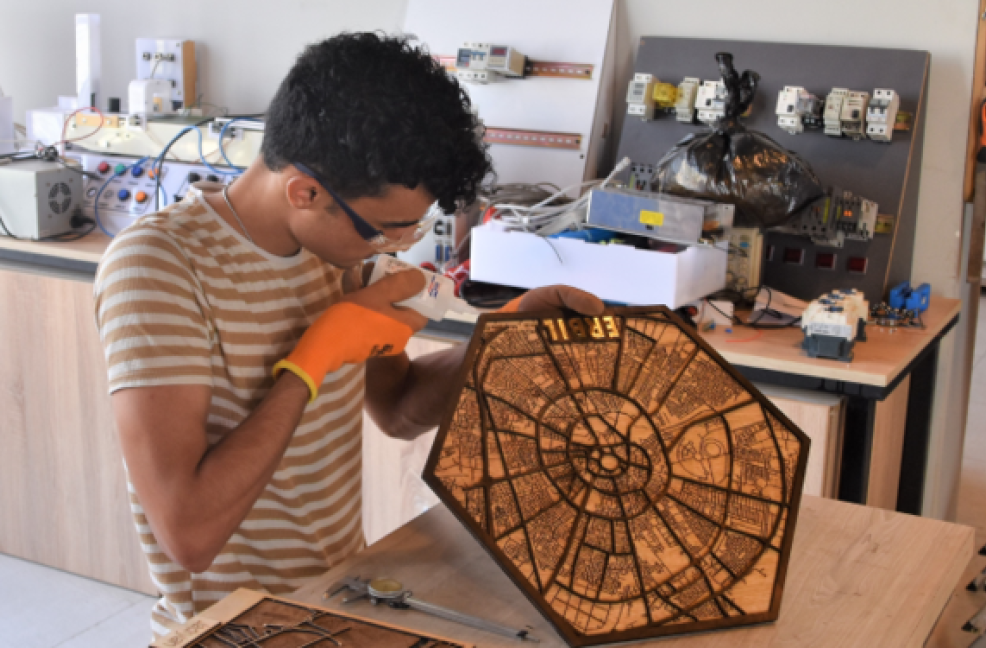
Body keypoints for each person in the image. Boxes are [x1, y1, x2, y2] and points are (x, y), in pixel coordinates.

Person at [93, 31, 603, 638]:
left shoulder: (339, 252)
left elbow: (398, 410)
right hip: (233, 630)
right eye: (385, 229)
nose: (395, 246)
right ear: (305, 192)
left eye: (411, 229)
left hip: (336, 606)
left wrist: (501, 342)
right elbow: (189, 535)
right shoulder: (157, 266)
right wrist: (309, 363)